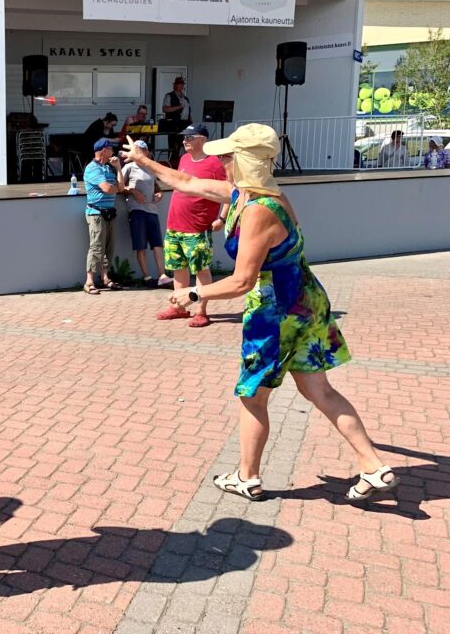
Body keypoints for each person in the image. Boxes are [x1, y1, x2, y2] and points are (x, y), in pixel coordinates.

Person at [125, 123, 398, 503]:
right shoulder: (255, 195)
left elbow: (242, 281)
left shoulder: (258, 212)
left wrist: (194, 292)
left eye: (227, 156)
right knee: (318, 389)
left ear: (245, 162)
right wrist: (143, 161)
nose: (221, 162)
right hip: (301, 301)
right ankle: (374, 466)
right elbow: (186, 182)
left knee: (253, 396)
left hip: (278, 310)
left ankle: (247, 477)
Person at [152, 124, 227, 327]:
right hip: (175, 226)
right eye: (184, 137)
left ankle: (201, 311)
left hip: (197, 228)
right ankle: (179, 307)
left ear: (203, 139)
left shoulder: (215, 164)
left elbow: (228, 191)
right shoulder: (184, 159)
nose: (185, 141)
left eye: (190, 137)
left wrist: (222, 219)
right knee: (178, 268)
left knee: (201, 269)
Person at [122, 140, 172, 288]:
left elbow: (155, 185)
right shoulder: (129, 167)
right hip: (136, 210)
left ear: (147, 152)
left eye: (143, 150)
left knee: (157, 244)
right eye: (137, 150)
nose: (140, 152)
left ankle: (162, 275)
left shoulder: (150, 167)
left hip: (152, 210)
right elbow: (119, 186)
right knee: (141, 245)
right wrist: (132, 190)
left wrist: (159, 193)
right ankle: (147, 277)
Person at [83, 137, 127, 294]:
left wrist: (118, 168)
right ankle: (89, 281)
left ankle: (105, 278)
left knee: (108, 247)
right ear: (103, 150)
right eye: (111, 149)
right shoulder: (92, 168)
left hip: (108, 213)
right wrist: (116, 188)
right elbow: (108, 188)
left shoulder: (108, 168)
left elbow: (120, 186)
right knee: (96, 247)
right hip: (96, 213)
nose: (113, 152)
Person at [162, 76, 192, 167]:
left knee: (186, 145)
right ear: (175, 85)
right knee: (174, 147)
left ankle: (185, 164)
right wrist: (179, 106)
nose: (181, 86)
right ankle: (172, 166)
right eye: (179, 84)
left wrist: (192, 124)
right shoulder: (169, 96)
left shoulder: (186, 98)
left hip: (185, 125)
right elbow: (165, 109)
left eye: (182, 84)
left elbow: (188, 113)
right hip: (174, 125)